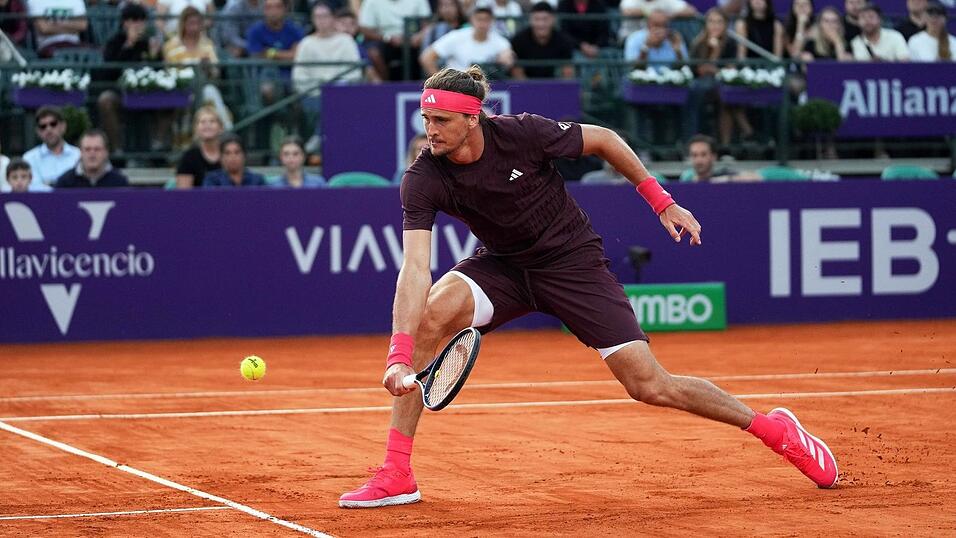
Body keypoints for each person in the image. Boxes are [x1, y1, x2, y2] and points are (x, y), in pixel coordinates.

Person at [337, 66, 839, 508]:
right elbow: (414, 269)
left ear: (473, 118)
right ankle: (397, 472)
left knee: (649, 385)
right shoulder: (423, 175)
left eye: (440, 121)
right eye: (426, 121)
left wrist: (661, 201)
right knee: (430, 316)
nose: (430, 132)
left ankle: (776, 430)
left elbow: (604, 140)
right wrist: (399, 356)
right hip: (504, 266)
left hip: (571, 263)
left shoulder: (525, 133)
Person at [98, 3, 164, 153]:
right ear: (125, 23)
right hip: (120, 93)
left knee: (174, 99)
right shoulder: (115, 42)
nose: (140, 25)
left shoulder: (149, 42)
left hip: (149, 94)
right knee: (105, 100)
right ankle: (117, 150)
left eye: (142, 21)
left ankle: (158, 147)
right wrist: (129, 45)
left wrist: (155, 57)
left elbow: (160, 74)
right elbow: (108, 73)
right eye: (135, 21)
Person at [163, 6, 233, 130]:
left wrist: (208, 68)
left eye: (197, 23)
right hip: (180, 90)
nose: (194, 27)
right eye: (191, 23)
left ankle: (223, 131)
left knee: (209, 92)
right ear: (183, 24)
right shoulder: (171, 46)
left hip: (204, 87)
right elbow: (168, 73)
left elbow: (215, 73)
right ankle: (226, 130)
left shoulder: (207, 44)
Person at [292, 2, 363, 97]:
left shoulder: (346, 41)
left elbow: (354, 72)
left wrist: (336, 89)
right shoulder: (305, 43)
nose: (321, 20)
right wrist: (315, 92)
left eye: (325, 16)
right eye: (317, 17)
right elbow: (299, 75)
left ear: (333, 17)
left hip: (343, 94)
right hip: (312, 96)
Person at [419, 7, 514, 75]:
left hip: (485, 89)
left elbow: (508, 56)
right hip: (457, 88)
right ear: (471, 20)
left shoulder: (499, 41)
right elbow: (426, 58)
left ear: (492, 21)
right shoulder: (456, 37)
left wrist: (506, 58)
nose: (482, 24)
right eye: (479, 19)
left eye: (486, 20)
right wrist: (442, 82)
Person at [510, 2, 577, 79]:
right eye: (536, 19)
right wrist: (530, 90)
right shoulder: (519, 40)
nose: (541, 24)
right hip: (526, 86)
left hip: (555, 86)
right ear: (530, 20)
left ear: (553, 19)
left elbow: (567, 74)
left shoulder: (564, 41)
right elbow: (517, 73)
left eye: (545, 19)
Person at [22, 106, 80, 190]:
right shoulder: (29, 158)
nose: (48, 129)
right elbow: (32, 188)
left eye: (53, 124)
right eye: (43, 126)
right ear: (38, 131)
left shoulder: (78, 155)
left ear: (63, 126)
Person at [55, 130, 130, 188]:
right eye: (87, 149)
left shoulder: (120, 182)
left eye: (97, 149)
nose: (92, 154)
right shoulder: (65, 182)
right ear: (80, 152)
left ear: (106, 152)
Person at [175, 105, 224, 188]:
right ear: (196, 129)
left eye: (212, 121)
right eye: (202, 122)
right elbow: (183, 194)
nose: (207, 125)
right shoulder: (189, 157)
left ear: (221, 127)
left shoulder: (230, 152)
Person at [618, 0, 698, 44]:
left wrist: (668, 16)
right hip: (630, 37)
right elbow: (627, 12)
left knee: (675, 39)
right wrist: (651, 14)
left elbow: (691, 11)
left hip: (663, 37)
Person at [202, 134, 266, 186]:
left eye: (237, 152)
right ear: (221, 157)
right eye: (227, 153)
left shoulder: (257, 180)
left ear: (244, 156)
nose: (232, 157)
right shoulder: (212, 180)